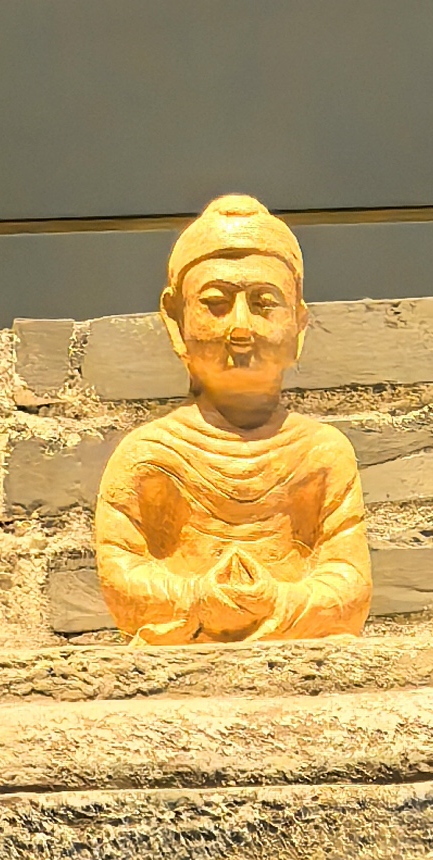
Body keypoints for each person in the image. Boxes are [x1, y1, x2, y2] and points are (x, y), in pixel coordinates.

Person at [96, 191, 371, 646]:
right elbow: (120, 575)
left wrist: (279, 599)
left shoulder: (323, 453)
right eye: (216, 303)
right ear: (175, 321)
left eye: (265, 303)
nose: (240, 328)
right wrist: (198, 596)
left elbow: (350, 583)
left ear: (299, 325)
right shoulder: (149, 455)